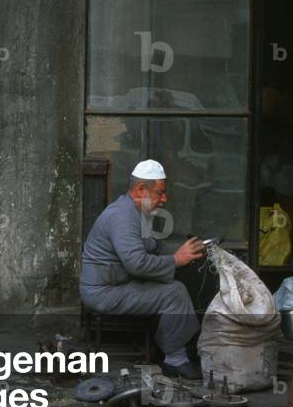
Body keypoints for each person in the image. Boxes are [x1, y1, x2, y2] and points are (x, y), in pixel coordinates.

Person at [81, 160, 206, 379]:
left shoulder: (139, 213)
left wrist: (187, 250)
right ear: (140, 190)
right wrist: (177, 260)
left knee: (175, 286)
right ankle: (175, 359)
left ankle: (170, 347)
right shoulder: (122, 217)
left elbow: (154, 249)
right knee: (174, 292)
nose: (165, 199)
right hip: (104, 292)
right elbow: (136, 263)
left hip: (120, 283)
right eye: (161, 193)